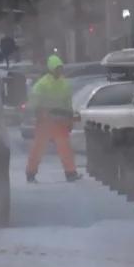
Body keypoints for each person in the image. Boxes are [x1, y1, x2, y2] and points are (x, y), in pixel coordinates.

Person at [25, 54, 80, 183]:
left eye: (60, 68)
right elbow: (34, 100)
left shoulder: (63, 83)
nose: (59, 70)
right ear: (51, 69)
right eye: (57, 68)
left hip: (58, 120)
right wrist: (36, 112)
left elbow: (68, 103)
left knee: (64, 147)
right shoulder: (43, 84)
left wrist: (69, 118)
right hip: (46, 120)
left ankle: (70, 173)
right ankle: (31, 173)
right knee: (38, 148)